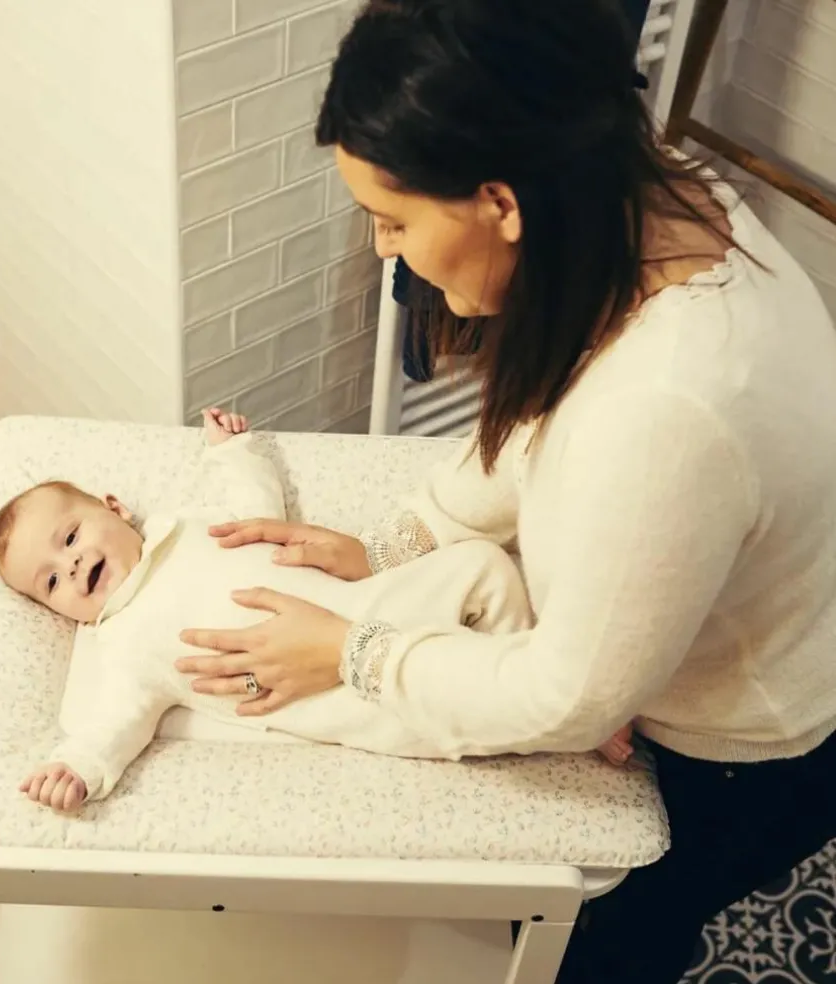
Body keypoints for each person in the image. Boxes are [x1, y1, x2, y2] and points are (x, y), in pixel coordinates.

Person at [173, 1, 836, 981]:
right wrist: (397, 544)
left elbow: (566, 697)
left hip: (744, 749)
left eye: (393, 220)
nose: (384, 252)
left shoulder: (669, 405)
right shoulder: (648, 204)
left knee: (615, 944)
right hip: (714, 631)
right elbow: (533, 427)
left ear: (500, 203)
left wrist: (352, 654)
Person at [0, 409, 634, 814]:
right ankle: (558, 726)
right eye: (51, 582)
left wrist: (231, 452)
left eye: (70, 538)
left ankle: (548, 682)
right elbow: (117, 722)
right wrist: (78, 766)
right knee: (462, 717)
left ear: (113, 506)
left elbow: (259, 509)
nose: (71, 568)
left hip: (371, 604)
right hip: (353, 698)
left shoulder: (192, 525)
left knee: (485, 569)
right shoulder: (127, 644)